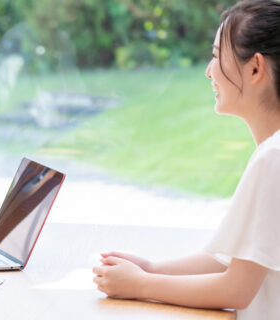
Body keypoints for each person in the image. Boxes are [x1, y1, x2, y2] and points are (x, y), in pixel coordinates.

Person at [92, 0, 280, 318]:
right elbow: (236, 258)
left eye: (218, 56)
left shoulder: (273, 158)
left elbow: (236, 288)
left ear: (255, 68)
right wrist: (152, 268)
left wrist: (140, 285)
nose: (209, 70)